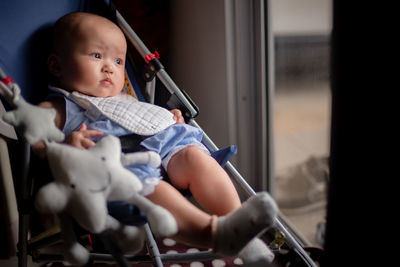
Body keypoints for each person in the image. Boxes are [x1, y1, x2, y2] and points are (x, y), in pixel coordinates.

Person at [32, 12, 278, 265]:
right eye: (96, 56)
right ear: (56, 66)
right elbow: (35, 140)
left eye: (118, 61)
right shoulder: (60, 106)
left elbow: (142, 119)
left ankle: (240, 227)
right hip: (123, 166)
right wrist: (64, 146)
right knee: (152, 187)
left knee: (194, 155)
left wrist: (166, 119)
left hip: (164, 149)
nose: (109, 67)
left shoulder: (124, 96)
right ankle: (215, 234)